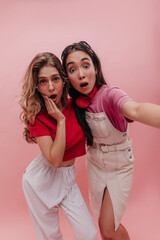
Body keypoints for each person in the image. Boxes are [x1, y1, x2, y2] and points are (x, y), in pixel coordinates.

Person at [61, 41, 160, 240]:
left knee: (109, 228)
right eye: (73, 69)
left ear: (95, 68)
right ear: (67, 78)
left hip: (119, 165)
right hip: (95, 165)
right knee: (103, 227)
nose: (81, 73)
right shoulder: (74, 105)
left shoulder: (110, 95)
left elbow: (136, 110)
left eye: (86, 65)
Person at [19, 52, 97, 240]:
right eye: (43, 81)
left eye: (55, 79)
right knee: (50, 237)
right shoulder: (37, 117)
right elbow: (54, 160)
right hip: (40, 181)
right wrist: (60, 121)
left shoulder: (77, 105)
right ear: (37, 87)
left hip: (67, 178)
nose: (51, 87)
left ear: (64, 81)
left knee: (89, 234)